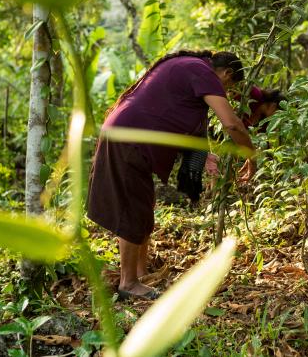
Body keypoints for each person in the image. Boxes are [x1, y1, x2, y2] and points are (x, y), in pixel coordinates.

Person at [87, 50, 256, 300]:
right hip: (129, 137)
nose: (226, 93)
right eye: (229, 87)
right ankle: (128, 283)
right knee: (133, 208)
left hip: (126, 132)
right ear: (226, 73)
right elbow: (231, 124)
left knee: (144, 204)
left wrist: (204, 155)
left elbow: (169, 114)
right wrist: (252, 155)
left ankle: (141, 274)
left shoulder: (187, 66)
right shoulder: (204, 72)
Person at [176, 86, 286, 203]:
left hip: (234, 139)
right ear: (274, 106)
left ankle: (220, 196)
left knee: (228, 167)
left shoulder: (264, 122)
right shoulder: (254, 94)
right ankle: (212, 198)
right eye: (278, 114)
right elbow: (228, 94)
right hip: (219, 127)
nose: (278, 119)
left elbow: (262, 143)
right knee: (217, 163)